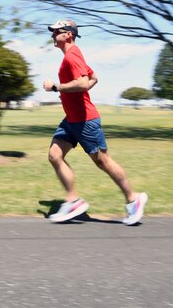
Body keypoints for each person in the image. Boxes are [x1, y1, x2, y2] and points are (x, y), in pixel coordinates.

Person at [42, 19, 148, 225]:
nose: (52, 35)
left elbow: (83, 82)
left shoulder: (72, 55)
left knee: (103, 162)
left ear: (69, 34)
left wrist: (56, 87)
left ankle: (134, 200)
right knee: (54, 155)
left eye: (56, 32)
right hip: (71, 120)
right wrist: (75, 90)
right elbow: (93, 78)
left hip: (85, 120)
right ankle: (73, 199)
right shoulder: (72, 56)